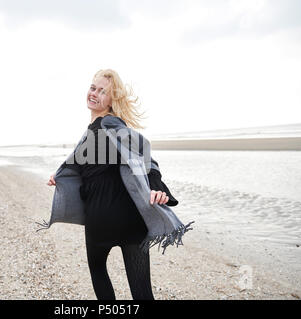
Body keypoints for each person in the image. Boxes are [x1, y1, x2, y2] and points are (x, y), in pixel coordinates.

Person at [44, 69, 191, 300]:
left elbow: (144, 156)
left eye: (103, 92)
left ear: (112, 100)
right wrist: (61, 176)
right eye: (93, 88)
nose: (95, 94)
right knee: (142, 293)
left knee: (99, 275)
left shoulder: (110, 125)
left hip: (100, 219)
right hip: (130, 220)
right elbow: (85, 166)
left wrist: (157, 187)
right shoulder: (93, 132)